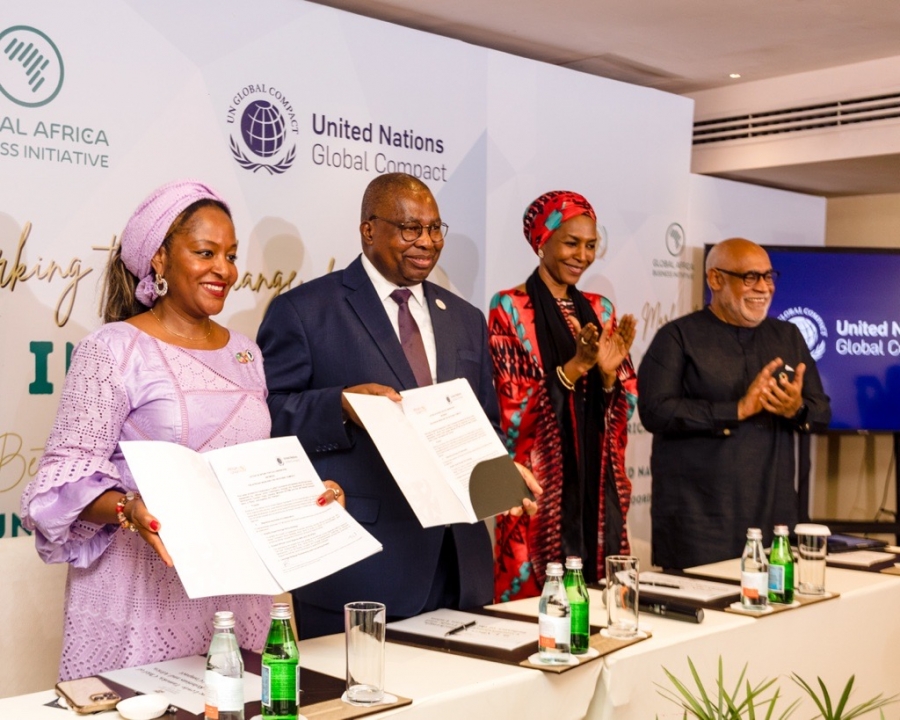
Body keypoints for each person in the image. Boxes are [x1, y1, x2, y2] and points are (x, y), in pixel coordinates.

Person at [19, 180, 343, 681]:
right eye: (205, 252)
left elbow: (249, 466)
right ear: (159, 258)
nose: (224, 269)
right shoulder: (112, 349)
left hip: (235, 593)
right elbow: (60, 481)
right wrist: (129, 508)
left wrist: (306, 497)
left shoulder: (246, 352)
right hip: (141, 591)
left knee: (234, 704)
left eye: (230, 255)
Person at [257, 172, 538, 638]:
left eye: (434, 228)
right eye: (410, 228)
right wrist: (339, 405)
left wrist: (500, 474)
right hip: (361, 567)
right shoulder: (305, 311)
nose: (426, 241)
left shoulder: (465, 318)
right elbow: (267, 415)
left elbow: (483, 422)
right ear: (368, 230)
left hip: (460, 565)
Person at [638, 237, 831, 569]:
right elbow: (655, 411)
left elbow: (821, 412)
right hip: (697, 524)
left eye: (768, 276)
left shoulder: (788, 336)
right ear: (716, 279)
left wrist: (796, 408)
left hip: (773, 519)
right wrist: (737, 410)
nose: (764, 288)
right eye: (750, 277)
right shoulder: (677, 337)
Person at [488, 190, 638, 602]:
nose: (583, 256)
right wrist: (575, 367)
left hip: (595, 485)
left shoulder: (601, 310)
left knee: (598, 605)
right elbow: (511, 409)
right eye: (572, 243)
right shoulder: (510, 308)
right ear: (542, 241)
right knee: (531, 614)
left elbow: (625, 400)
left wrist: (608, 375)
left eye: (591, 245)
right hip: (536, 493)